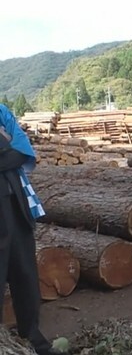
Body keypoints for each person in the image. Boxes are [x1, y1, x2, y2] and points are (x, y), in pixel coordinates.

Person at [0, 105, 63, 355]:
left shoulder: (2, 111)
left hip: (15, 200)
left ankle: (32, 335)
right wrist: (6, 144)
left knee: (24, 271)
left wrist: (6, 146)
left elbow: (22, 151)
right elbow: (11, 151)